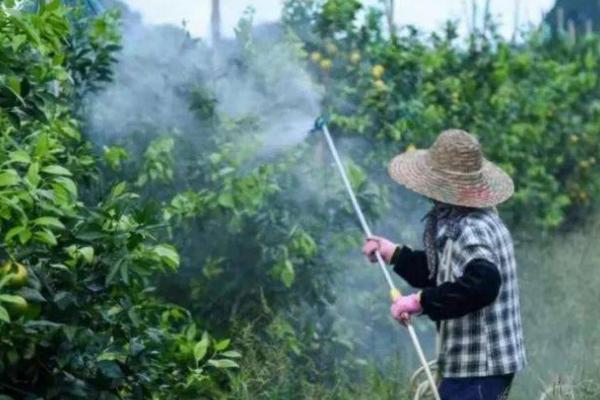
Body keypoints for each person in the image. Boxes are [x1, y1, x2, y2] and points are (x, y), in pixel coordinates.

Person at [362, 129, 526, 400]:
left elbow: (483, 283)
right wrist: (392, 253)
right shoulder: (458, 218)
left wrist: (419, 302)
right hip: (475, 363)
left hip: (481, 365)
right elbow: (441, 270)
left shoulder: (472, 228)